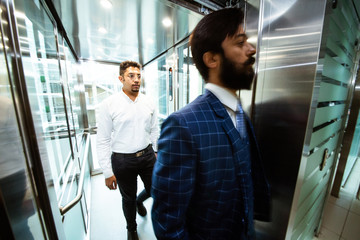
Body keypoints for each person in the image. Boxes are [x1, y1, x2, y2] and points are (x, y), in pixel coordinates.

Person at [151, 7, 271, 240]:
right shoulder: (183, 126)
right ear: (212, 59)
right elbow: (168, 224)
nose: (252, 49)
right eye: (240, 43)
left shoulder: (240, 114)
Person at [97, 60, 159, 240]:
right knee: (128, 198)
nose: (136, 80)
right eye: (131, 76)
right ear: (121, 78)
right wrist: (107, 172)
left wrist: (155, 152)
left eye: (138, 76)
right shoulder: (109, 104)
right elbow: (103, 139)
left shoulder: (149, 101)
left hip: (147, 156)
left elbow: (155, 130)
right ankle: (131, 229)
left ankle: (141, 201)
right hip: (122, 160)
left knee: (156, 189)